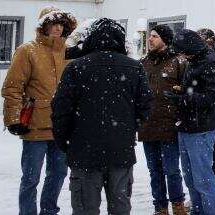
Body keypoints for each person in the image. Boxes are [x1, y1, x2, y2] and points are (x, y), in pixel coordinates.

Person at [51, 18, 154, 215]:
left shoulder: (76, 67)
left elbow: (60, 109)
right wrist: (128, 128)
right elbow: (146, 105)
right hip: (120, 150)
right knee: (120, 206)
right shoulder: (134, 68)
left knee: (86, 208)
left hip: (84, 150)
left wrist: (64, 139)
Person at [2, 7, 76, 215]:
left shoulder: (69, 52)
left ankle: (49, 211)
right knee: (31, 177)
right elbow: (12, 87)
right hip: (34, 125)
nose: (57, 28)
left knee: (59, 173)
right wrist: (13, 118)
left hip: (62, 127)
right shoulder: (27, 50)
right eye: (53, 24)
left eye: (61, 24)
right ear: (43, 26)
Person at [169, 29, 215, 214]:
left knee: (202, 179)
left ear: (191, 47)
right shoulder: (194, 59)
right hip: (187, 125)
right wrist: (181, 92)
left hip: (202, 128)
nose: (182, 56)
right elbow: (195, 90)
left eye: (183, 52)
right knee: (191, 180)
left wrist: (183, 99)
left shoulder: (212, 61)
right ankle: (197, 211)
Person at [139, 25, 188, 215]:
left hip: (169, 126)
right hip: (148, 126)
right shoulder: (144, 62)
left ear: (165, 39)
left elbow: (187, 90)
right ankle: (160, 207)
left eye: (155, 36)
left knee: (172, 170)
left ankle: (178, 205)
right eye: (150, 36)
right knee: (154, 171)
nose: (150, 39)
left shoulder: (178, 62)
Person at [197, 28, 215, 194]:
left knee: (210, 154)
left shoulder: (213, 60)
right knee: (209, 154)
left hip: (210, 115)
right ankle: (210, 191)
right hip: (207, 114)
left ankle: (211, 191)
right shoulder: (202, 59)